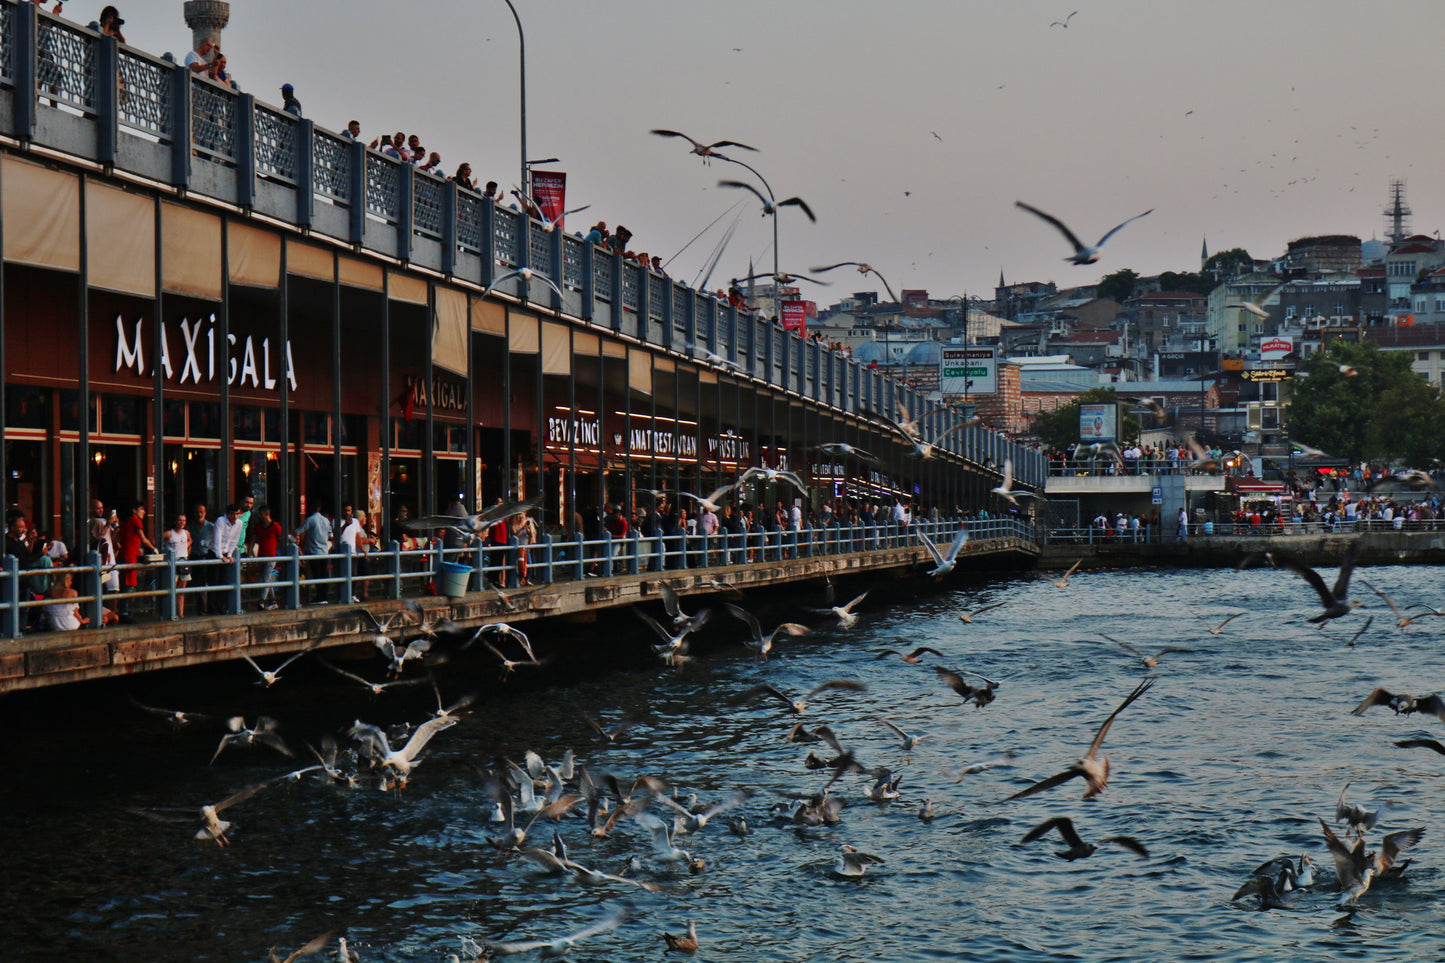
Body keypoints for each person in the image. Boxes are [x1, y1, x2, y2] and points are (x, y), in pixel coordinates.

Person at [116, 502, 157, 613]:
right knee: (128, 585)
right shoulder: (135, 520)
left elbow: (118, 540)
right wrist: (154, 549)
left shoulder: (125, 523)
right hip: (129, 556)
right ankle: (124, 610)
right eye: (141, 509)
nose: (144, 512)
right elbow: (143, 539)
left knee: (124, 584)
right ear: (134, 510)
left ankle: (123, 609)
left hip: (124, 555)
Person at [294, 504, 332, 603]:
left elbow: (298, 531)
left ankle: (319, 596)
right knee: (324, 574)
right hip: (324, 551)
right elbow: (330, 535)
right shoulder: (326, 520)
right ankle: (324, 596)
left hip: (314, 551)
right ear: (319, 508)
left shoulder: (310, 520)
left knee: (316, 575)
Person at [249, 505, 284, 609]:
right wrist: (249, 552)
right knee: (266, 579)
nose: (259, 516)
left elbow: (281, 540)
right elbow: (254, 539)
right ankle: (273, 601)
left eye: (261, 514)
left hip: (271, 556)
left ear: (267, 514)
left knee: (266, 577)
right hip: (261, 556)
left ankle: (262, 601)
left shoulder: (276, 527)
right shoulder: (258, 527)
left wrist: (282, 554)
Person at [187, 503, 216, 614]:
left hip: (207, 557)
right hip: (195, 557)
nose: (199, 514)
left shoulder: (211, 527)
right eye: (197, 512)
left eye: (201, 512)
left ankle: (209, 608)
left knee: (208, 584)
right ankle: (201, 609)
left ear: (205, 513)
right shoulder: (191, 528)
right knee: (197, 584)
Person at [164, 513, 192, 618]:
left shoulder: (186, 533)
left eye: (184, 521)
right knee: (173, 587)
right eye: (180, 520)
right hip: (173, 561)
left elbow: (190, 540)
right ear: (175, 521)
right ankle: (171, 612)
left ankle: (181, 614)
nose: (182, 523)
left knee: (182, 589)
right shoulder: (169, 533)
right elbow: (157, 540)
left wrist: (186, 547)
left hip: (183, 560)